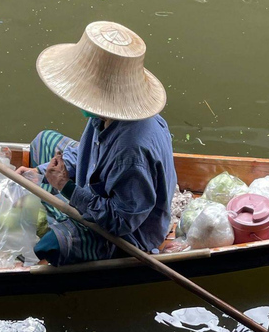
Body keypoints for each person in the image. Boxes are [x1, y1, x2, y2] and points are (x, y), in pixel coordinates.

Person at [17, 21, 177, 266]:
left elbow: (121, 221)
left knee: (51, 246)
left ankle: (65, 217)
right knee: (44, 140)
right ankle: (58, 200)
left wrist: (65, 187)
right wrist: (40, 173)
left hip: (129, 234)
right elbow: (87, 151)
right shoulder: (106, 115)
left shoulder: (131, 151)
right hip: (102, 190)